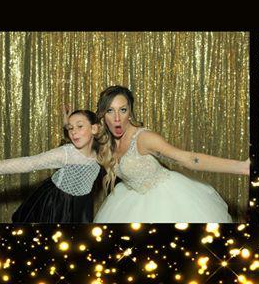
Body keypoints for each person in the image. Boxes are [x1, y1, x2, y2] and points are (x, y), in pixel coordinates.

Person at [92, 86, 250, 223]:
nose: (117, 118)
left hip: (166, 200)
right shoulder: (106, 142)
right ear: (103, 115)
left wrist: (242, 167)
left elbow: (189, 159)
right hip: (130, 200)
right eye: (110, 111)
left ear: (130, 113)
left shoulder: (144, 139)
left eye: (123, 110)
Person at [0, 109, 105, 223]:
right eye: (70, 128)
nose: (73, 132)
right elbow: (29, 163)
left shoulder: (102, 154)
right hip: (56, 203)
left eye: (79, 126)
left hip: (82, 206)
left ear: (94, 129)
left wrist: (66, 123)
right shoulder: (65, 153)